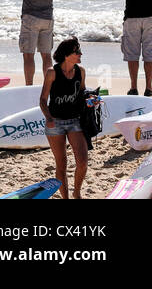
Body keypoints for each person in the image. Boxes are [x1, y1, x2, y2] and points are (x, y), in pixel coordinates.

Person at [41, 37, 88, 199]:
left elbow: (82, 93)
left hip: (75, 121)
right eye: (77, 52)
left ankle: (77, 191)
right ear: (67, 55)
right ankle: (65, 197)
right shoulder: (52, 73)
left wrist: (90, 99)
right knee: (61, 164)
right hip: (55, 123)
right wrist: (48, 118)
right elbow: (42, 100)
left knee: (82, 161)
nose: (80, 54)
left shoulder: (80, 71)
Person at [14, 0, 58, 86]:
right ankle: (49, 86)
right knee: (46, 56)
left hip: (31, 17)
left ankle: (29, 85)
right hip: (48, 18)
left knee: (28, 55)